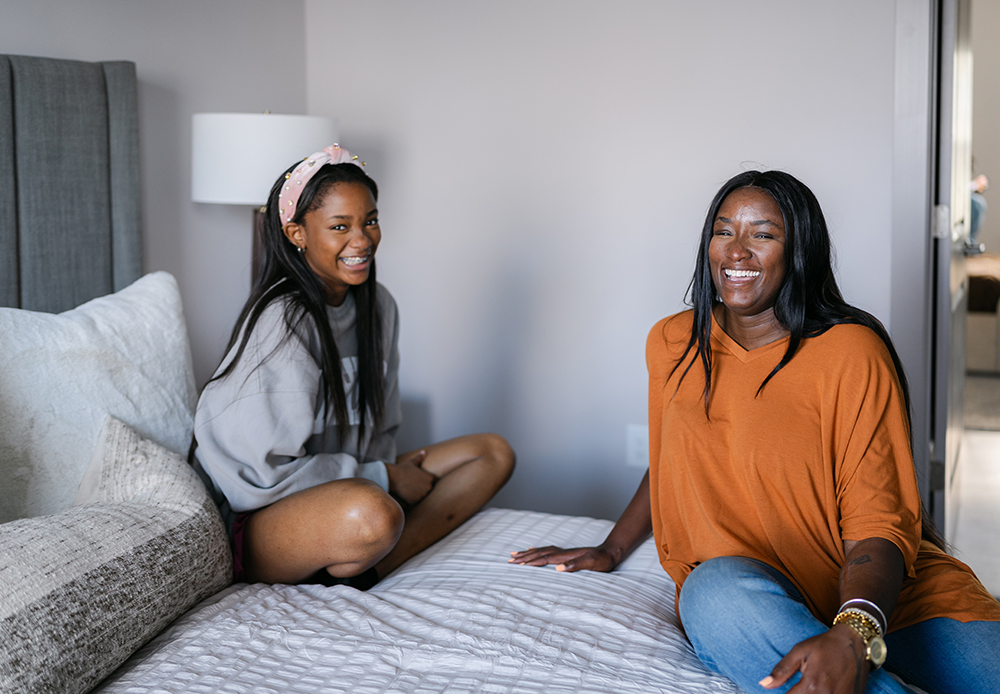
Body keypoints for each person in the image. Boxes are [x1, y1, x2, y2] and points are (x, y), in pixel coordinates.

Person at [512, 170, 1000, 694]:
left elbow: (878, 519)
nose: (736, 252)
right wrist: (612, 548)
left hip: (890, 603)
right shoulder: (672, 343)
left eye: (762, 235)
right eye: (723, 232)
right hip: (749, 597)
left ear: (799, 252)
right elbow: (673, 454)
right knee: (710, 592)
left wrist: (854, 632)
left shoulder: (851, 352)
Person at [193, 145, 515, 588]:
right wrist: (383, 479)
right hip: (262, 517)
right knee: (372, 513)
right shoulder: (283, 320)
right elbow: (257, 477)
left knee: (492, 453)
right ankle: (363, 544)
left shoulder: (379, 307)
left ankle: (371, 564)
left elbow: (380, 429)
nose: (362, 240)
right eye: (339, 226)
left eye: (370, 221)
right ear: (297, 233)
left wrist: (382, 472)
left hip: (350, 483)